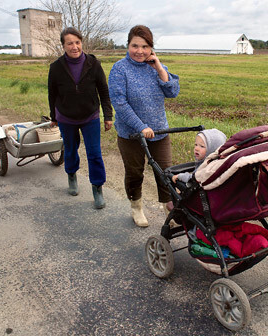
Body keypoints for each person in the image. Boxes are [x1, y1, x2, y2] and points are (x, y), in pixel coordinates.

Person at [108, 25, 180, 227]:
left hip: (159, 131)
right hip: (131, 134)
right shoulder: (119, 69)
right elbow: (120, 103)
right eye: (135, 46)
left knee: (166, 172)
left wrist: (158, 67)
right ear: (128, 45)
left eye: (145, 46)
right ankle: (136, 207)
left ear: (151, 48)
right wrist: (140, 127)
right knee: (135, 172)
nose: (140, 51)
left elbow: (172, 92)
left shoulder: (156, 66)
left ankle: (170, 208)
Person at [48, 27, 113, 209]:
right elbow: (52, 94)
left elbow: (103, 91)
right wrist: (54, 117)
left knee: (94, 153)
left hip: (90, 116)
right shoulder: (56, 68)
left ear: (81, 43)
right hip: (66, 117)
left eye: (77, 42)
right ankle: (71, 175)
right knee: (70, 150)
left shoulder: (93, 64)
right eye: (70, 43)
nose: (74, 47)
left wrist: (108, 115)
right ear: (63, 45)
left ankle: (97, 188)